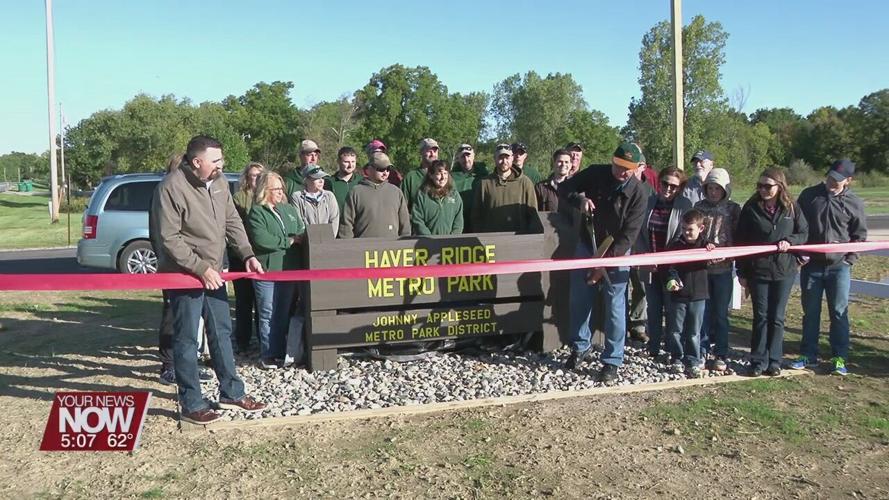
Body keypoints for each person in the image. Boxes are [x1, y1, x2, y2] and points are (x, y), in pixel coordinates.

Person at [150, 135, 266, 424]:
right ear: (197, 161)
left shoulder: (221, 183)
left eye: (221, 160)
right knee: (187, 339)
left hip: (215, 273)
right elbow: (169, 239)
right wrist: (200, 268)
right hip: (185, 276)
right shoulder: (171, 188)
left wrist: (247, 253)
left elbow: (232, 221)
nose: (221, 165)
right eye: (216, 161)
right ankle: (192, 403)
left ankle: (232, 393)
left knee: (221, 333)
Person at [558, 142, 648, 383]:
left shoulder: (640, 193)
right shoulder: (596, 172)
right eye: (618, 165)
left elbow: (629, 235)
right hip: (587, 244)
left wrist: (602, 264)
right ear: (612, 161)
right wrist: (579, 200)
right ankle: (580, 346)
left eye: (627, 168)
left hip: (618, 251)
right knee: (579, 299)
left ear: (637, 168)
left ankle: (612, 360)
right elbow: (564, 188)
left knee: (616, 307)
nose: (622, 171)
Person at [791, 159, 867, 376]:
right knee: (810, 312)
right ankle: (808, 354)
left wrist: (848, 259)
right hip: (812, 266)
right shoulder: (809, 196)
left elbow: (859, 236)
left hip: (838, 267)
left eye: (838, 179)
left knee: (839, 312)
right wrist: (800, 253)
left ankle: (839, 357)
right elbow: (798, 226)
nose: (832, 182)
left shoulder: (854, 203)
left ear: (849, 181)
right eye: (831, 176)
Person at [736, 167, 808, 377]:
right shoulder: (750, 208)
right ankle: (757, 360)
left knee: (777, 316)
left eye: (768, 186)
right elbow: (741, 241)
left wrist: (790, 241)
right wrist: (741, 271)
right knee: (761, 316)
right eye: (760, 186)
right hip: (758, 270)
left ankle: (774, 360)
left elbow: (803, 232)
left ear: (780, 186)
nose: (763, 190)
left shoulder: (792, 208)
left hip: (784, 269)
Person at [246, 171, 306, 369]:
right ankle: (268, 354)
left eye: (282, 189)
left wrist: (295, 239)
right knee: (267, 312)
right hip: (267, 271)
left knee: (283, 311)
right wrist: (288, 241)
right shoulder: (256, 212)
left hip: (288, 269)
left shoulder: (288, 209)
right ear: (265, 190)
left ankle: (281, 351)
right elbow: (262, 240)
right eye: (276, 189)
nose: (280, 192)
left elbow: (300, 229)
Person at [635, 166, 692, 359]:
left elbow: (683, 236)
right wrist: (647, 258)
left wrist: (666, 262)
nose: (668, 188)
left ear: (680, 188)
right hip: (650, 265)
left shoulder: (684, 206)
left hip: (672, 267)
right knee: (653, 306)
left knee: (673, 308)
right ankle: (653, 345)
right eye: (664, 183)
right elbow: (639, 234)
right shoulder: (648, 202)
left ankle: (673, 347)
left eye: (673, 186)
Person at [694, 167, 741, 371]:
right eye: (710, 188)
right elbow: (691, 234)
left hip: (723, 269)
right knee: (703, 313)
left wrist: (727, 253)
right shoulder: (698, 207)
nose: (713, 192)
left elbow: (739, 238)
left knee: (721, 313)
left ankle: (721, 352)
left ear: (725, 189)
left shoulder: (733, 209)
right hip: (702, 269)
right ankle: (702, 350)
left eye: (717, 188)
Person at [661, 209, 713, 378]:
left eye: (690, 229)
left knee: (694, 332)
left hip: (699, 295)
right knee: (675, 329)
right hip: (678, 296)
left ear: (701, 228)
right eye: (683, 229)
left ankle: (693, 360)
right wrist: (671, 279)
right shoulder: (675, 246)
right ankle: (677, 357)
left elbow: (717, 253)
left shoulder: (706, 246)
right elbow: (668, 267)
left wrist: (712, 248)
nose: (686, 233)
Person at [231, 161, 264, 353]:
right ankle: (242, 340)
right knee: (244, 301)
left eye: (260, 175)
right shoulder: (238, 197)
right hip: (241, 255)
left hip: (261, 255)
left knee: (262, 301)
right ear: (247, 177)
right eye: (253, 175)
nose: (257, 179)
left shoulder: (268, 197)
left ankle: (262, 338)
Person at [471, 144, 539, 233]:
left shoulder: (525, 182)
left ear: (512, 158)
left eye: (507, 158)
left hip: (519, 239)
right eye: (500, 158)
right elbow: (476, 216)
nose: (504, 161)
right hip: (490, 240)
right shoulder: (484, 184)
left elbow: (533, 214)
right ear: (494, 158)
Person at [340, 152, 410, 238]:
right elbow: (346, 224)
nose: (385, 172)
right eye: (381, 169)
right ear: (369, 169)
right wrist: (347, 247)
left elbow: (405, 225)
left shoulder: (396, 192)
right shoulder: (356, 192)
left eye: (388, 169)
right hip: (363, 248)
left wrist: (405, 243)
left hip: (392, 248)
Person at [411, 159, 463, 235]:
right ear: (431, 175)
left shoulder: (454, 195)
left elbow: (458, 221)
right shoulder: (422, 195)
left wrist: (453, 238)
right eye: (439, 174)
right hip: (427, 243)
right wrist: (430, 238)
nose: (443, 177)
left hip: (450, 243)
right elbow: (417, 220)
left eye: (445, 173)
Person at [292, 165, 339, 237]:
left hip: (328, 241)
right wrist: (309, 239)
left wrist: (329, 238)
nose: (321, 181)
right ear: (306, 179)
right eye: (317, 178)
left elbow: (334, 219)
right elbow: (298, 222)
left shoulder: (329, 196)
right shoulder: (297, 197)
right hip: (307, 241)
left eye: (322, 178)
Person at [450, 143, 488, 232]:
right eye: (463, 157)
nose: (466, 160)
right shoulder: (450, 178)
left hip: (480, 223)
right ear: (458, 158)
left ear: (473, 156)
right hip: (458, 223)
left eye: (468, 156)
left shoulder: (484, 175)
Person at [402, 138, 439, 211]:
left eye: (435, 150)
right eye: (429, 150)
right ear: (421, 152)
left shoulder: (444, 177)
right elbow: (402, 206)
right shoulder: (411, 177)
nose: (432, 154)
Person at [324, 146, 362, 216]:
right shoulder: (329, 182)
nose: (350, 165)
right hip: (337, 224)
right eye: (346, 162)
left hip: (358, 224)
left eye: (353, 162)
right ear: (338, 161)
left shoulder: (362, 181)